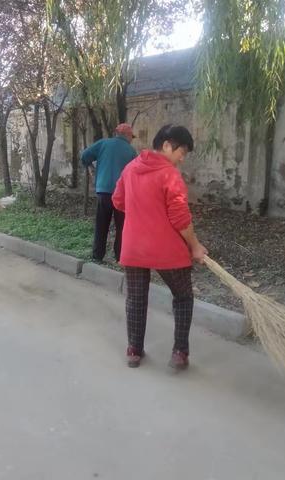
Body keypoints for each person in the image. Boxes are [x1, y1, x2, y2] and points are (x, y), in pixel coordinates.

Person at [112, 125, 208, 370]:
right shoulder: (169, 174)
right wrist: (195, 247)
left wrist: (141, 213)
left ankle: (134, 350)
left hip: (134, 247)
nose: (182, 158)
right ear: (166, 145)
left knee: (135, 299)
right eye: (181, 152)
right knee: (184, 297)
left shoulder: (131, 168)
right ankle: (179, 353)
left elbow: (118, 201)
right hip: (166, 250)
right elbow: (180, 218)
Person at [81, 123, 137, 262]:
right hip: (122, 195)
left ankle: (97, 256)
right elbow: (135, 174)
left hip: (103, 191)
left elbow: (85, 156)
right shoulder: (131, 151)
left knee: (101, 224)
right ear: (128, 135)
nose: (132, 139)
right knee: (121, 227)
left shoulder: (103, 144)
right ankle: (120, 257)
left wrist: (92, 168)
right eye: (132, 137)